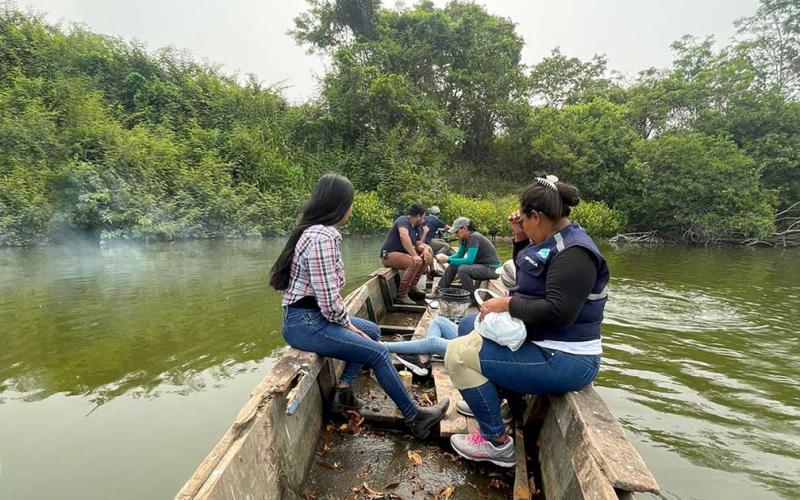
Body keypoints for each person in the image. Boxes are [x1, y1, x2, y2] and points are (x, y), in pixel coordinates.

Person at [444, 175, 609, 467]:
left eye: (524, 220)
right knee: (469, 325)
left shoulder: (575, 253)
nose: (521, 223)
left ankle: (496, 443)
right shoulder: (553, 240)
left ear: (536, 216)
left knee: (456, 355)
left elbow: (559, 312)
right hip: (543, 341)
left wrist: (505, 303)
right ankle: (495, 404)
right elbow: (528, 281)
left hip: (566, 358)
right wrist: (521, 238)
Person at [270, 174, 448, 440]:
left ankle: (343, 393)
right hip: (307, 323)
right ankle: (416, 418)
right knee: (378, 352)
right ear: (339, 205)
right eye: (351, 203)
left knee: (372, 330)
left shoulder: (311, 231)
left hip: (307, 318)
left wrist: (350, 325)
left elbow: (326, 299)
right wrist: (348, 325)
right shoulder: (324, 237)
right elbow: (328, 300)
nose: (351, 209)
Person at [427, 217, 501, 302]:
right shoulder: (464, 239)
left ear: (464, 228)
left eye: (456, 232)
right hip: (481, 266)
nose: (456, 234)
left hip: (492, 269)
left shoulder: (474, 237)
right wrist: (447, 258)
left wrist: (448, 260)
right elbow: (459, 254)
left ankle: (471, 299)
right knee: (454, 265)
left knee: (463, 269)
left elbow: (469, 260)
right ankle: (438, 291)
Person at [380, 204, 432, 305]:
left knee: (426, 257)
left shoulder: (416, 227)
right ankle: (401, 295)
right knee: (414, 262)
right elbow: (404, 236)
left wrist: (425, 250)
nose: (424, 219)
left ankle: (413, 286)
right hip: (388, 255)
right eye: (423, 216)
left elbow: (419, 244)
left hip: (401, 254)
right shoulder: (403, 220)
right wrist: (414, 255)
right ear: (418, 216)